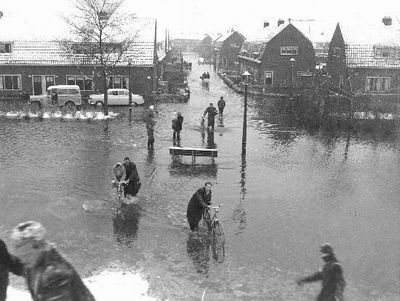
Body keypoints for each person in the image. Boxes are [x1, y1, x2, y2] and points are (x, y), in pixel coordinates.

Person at [11, 221, 96, 301]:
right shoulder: (33, 261)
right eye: (20, 255)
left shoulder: (55, 274)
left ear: (37, 246)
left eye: (26, 255)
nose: (22, 260)